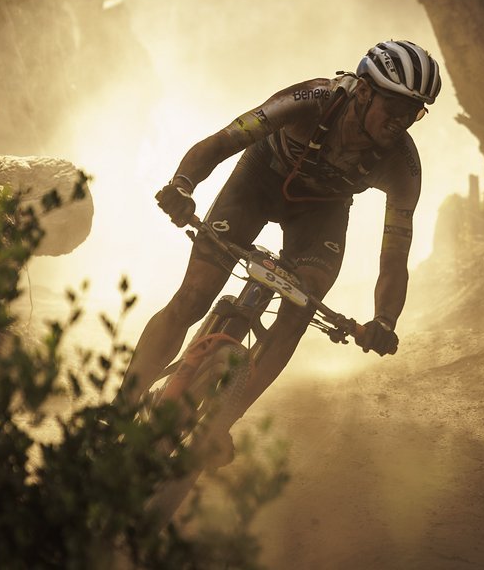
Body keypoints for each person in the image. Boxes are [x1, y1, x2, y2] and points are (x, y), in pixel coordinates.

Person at [121, 40, 442, 425]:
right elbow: (224, 141)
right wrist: (182, 185)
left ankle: (219, 427)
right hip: (257, 183)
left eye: (413, 114)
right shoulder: (313, 99)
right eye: (394, 109)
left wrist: (385, 320)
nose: (401, 123)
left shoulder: (403, 165)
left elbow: (394, 259)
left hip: (322, 213)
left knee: (298, 311)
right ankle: (121, 406)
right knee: (193, 296)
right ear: (365, 92)